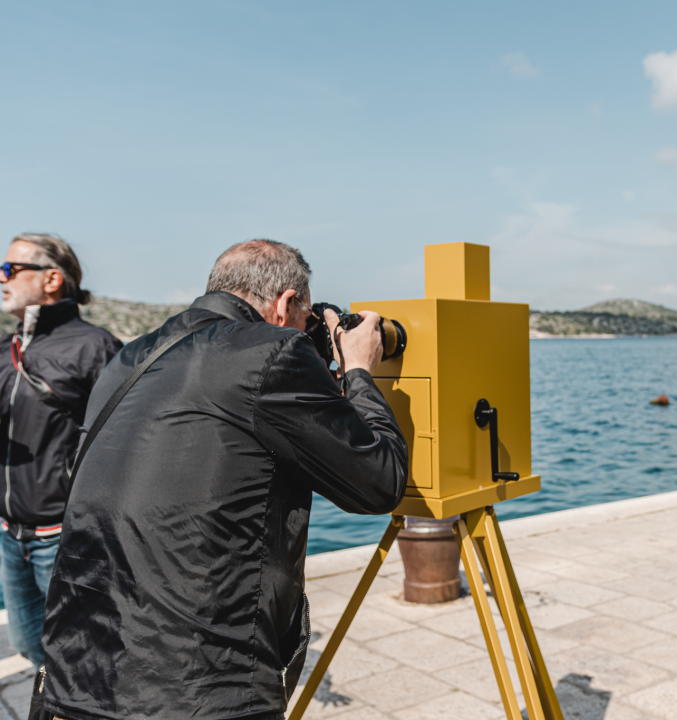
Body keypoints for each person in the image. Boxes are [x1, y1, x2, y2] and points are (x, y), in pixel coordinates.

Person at [41, 240, 408, 720]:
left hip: (79, 669)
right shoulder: (272, 350)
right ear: (285, 304)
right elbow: (380, 481)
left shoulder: (130, 357)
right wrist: (358, 370)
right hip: (196, 687)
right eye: (305, 316)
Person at [0, 233, 122, 668]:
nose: (2, 278)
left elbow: (125, 441)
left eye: (10, 269)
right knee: (31, 646)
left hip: (64, 535)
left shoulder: (96, 348)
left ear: (51, 279)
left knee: (80, 656)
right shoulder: (6, 349)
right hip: (10, 534)